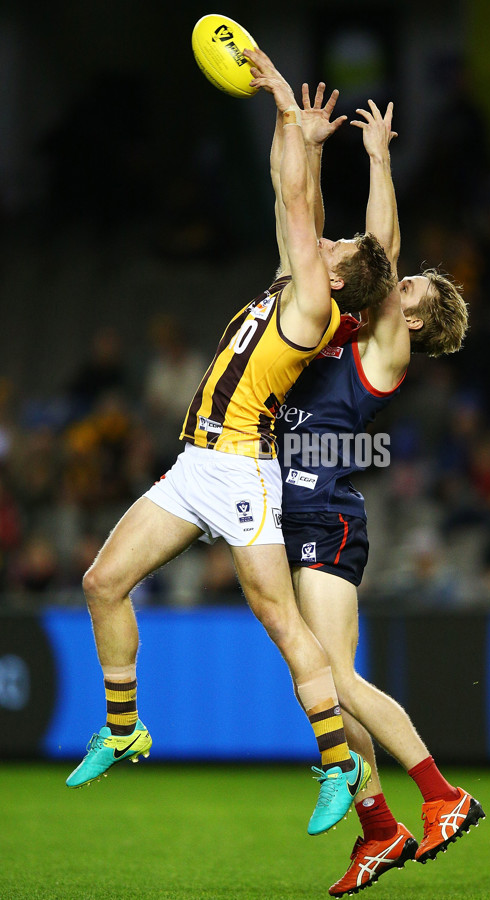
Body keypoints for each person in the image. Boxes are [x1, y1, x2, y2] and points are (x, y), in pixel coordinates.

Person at [66, 44, 398, 838]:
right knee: (102, 581)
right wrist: (313, 144)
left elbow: (294, 203)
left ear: (342, 278)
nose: (331, 239)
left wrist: (286, 105)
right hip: (194, 464)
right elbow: (304, 212)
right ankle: (122, 727)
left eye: (341, 247)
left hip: (243, 470)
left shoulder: (318, 301)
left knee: (283, 625)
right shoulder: (306, 281)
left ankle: (337, 765)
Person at [264, 64, 483, 895]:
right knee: (319, 684)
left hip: (328, 507)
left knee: (339, 679)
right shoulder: (341, 324)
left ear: (417, 319)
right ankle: (379, 830)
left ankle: (441, 796)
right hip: (298, 504)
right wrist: (367, 158)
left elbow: (380, 249)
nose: (402, 281)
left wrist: (382, 167)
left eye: (414, 289)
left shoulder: (384, 348)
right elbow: (365, 250)